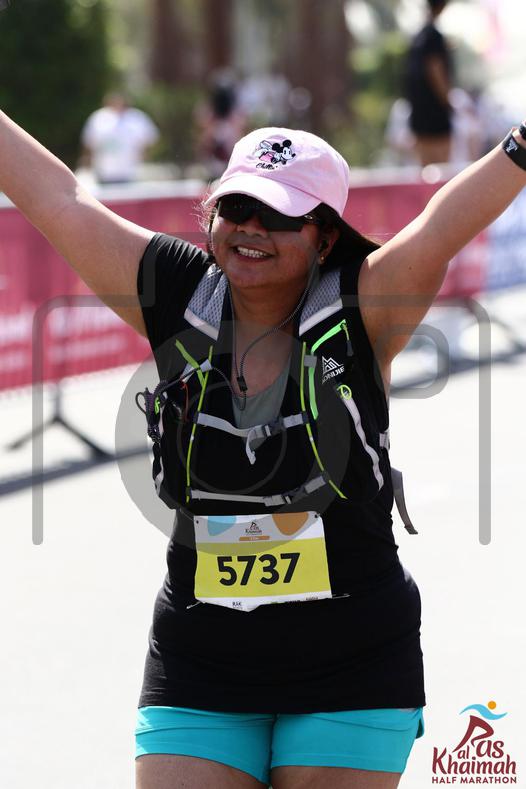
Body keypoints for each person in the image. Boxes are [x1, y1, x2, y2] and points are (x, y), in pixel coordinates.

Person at [1, 105, 526, 789]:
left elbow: (442, 224)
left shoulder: (365, 307)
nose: (250, 227)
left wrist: (520, 144)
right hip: (200, 659)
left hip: (354, 659)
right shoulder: (177, 295)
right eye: (236, 206)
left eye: (279, 215)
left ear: (326, 237)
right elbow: (59, 198)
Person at [405, 0, 453, 166]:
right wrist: (447, 99)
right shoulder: (434, 36)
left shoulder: (417, 37)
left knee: (424, 169)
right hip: (435, 113)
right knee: (441, 169)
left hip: (418, 112)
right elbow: (435, 68)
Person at [81, 92, 160, 184]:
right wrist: (87, 162)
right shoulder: (98, 117)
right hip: (104, 171)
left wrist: (144, 155)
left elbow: (151, 139)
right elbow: (88, 142)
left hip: (131, 172)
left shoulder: (137, 117)